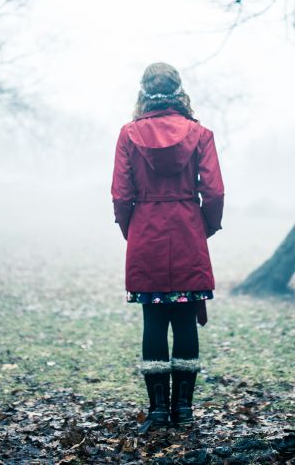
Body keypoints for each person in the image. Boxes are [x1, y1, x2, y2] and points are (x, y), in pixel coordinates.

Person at [111, 62, 224, 434]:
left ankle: (158, 411)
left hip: (146, 234)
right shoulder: (200, 134)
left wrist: (135, 230)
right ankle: (185, 411)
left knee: (154, 322)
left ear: (144, 92)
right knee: (186, 321)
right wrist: (202, 226)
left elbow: (121, 194)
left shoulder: (129, 135)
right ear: (179, 92)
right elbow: (215, 191)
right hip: (188, 231)